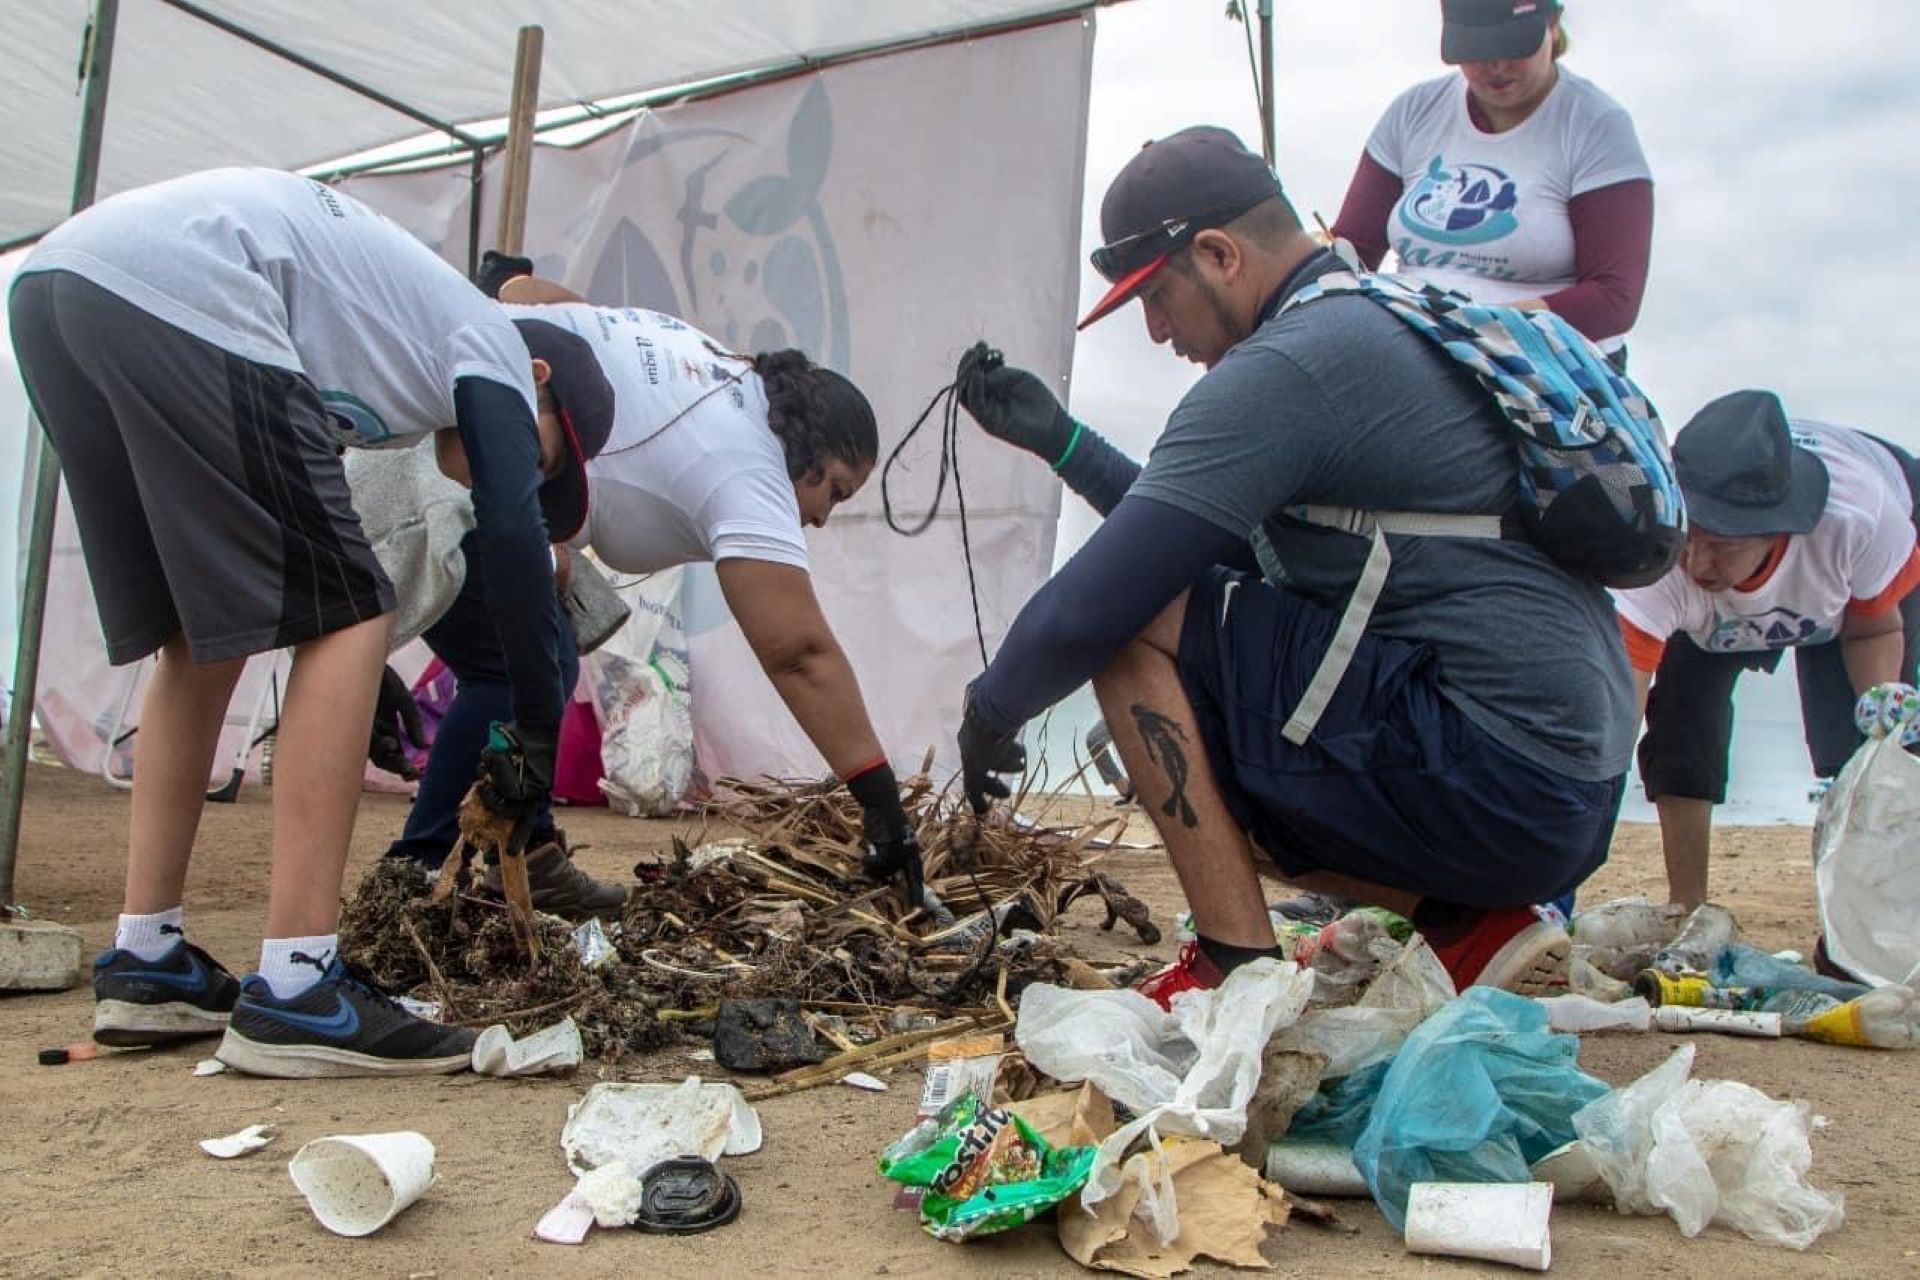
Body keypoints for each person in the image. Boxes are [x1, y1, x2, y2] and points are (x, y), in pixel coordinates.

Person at [954, 125, 1633, 1006]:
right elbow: (1221, 548)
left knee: (1129, 634)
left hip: (1497, 774)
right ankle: (1467, 925)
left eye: (1156, 296)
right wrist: (1063, 442)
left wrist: (990, 710)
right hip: (1565, 785)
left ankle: (1233, 960)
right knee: (1182, 687)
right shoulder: (1372, 324)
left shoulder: (1289, 369)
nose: (1156, 330)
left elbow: (1102, 602)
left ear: (1218, 253)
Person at [8, 168, 612, 1077]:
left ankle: (147, 960)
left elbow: (293, 547)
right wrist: (533, 720)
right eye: (541, 453)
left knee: (194, 631)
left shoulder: (370, 362)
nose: (520, 473)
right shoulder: (486, 335)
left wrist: (359, 671)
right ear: (536, 381)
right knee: (356, 611)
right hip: (189, 289)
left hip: (64, 288)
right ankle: (299, 988)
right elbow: (515, 540)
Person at [379, 256, 926, 911]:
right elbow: (799, 654)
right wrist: (883, 809)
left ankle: (526, 854)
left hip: (440, 400)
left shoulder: (700, 355)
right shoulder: (750, 468)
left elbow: (527, 292)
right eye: (833, 491)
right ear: (803, 446)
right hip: (433, 454)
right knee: (511, 665)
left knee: (546, 656)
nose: (821, 517)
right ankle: (417, 868)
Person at [1614, 390, 1920, 910]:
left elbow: (1871, 631)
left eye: (1723, 543)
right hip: (1709, 611)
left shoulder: (1858, 521)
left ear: (1780, 531)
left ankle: (1862, 913)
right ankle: (1687, 910)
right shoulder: (1658, 554)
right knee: (1682, 718)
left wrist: (1881, 715)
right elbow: (1618, 714)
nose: (1698, 563)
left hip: (1864, 574)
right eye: (1693, 535)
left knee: (1860, 744)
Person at [1330, 0, 1652, 358]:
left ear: (1553, 25)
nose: (1496, 66)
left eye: (1513, 48)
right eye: (1477, 51)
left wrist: (1474, 328)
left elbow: (1613, 299)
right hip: (1417, 342)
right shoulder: (1413, 111)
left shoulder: (1596, 125)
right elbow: (1352, 249)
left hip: (1541, 358)